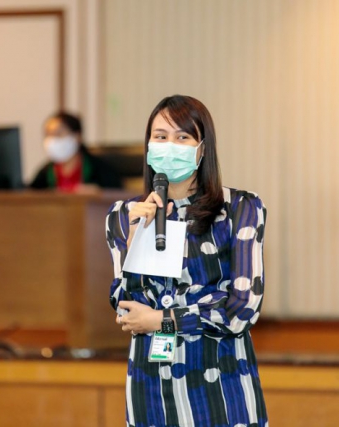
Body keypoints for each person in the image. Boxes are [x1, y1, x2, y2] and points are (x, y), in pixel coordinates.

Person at [105, 95, 268, 427]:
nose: (170, 145)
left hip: (222, 385)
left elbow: (241, 310)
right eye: (160, 136)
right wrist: (135, 239)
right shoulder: (124, 215)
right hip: (151, 388)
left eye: (182, 137)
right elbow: (125, 307)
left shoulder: (239, 209)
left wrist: (161, 320)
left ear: (202, 149)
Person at [30, 112, 123, 192]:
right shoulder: (45, 172)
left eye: (58, 134)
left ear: (77, 136)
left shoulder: (100, 170)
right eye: (48, 135)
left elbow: (117, 196)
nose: (52, 141)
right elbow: (30, 196)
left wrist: (98, 192)